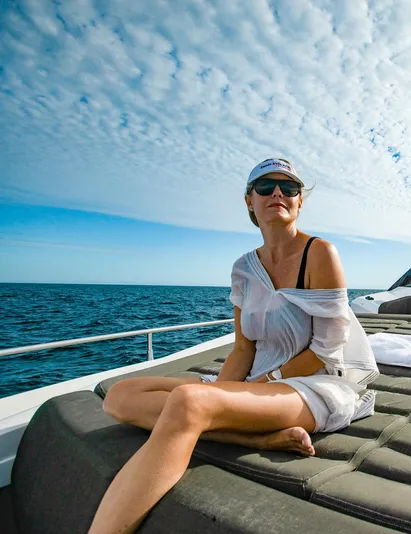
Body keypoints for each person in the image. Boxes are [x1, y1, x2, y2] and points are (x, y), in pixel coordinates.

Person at [89, 158, 378, 534]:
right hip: (258, 378)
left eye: (289, 188)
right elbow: (242, 349)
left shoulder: (320, 253)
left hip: (314, 384)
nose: (278, 193)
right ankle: (259, 437)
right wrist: (229, 390)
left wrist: (249, 387)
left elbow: (327, 349)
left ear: (299, 202)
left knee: (190, 402)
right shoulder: (243, 267)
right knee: (120, 395)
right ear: (249, 200)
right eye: (266, 186)